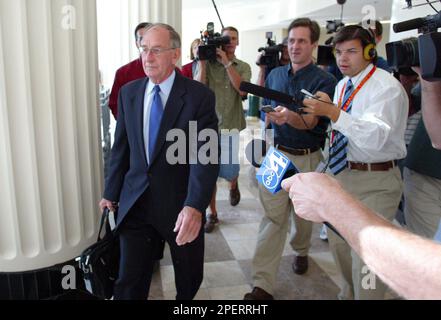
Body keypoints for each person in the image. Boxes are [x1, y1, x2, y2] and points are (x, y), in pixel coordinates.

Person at [99, 23, 219, 300]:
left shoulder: (199, 97)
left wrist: (194, 206)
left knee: (187, 279)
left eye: (155, 50)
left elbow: (206, 156)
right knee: (129, 280)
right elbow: (122, 148)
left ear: (175, 54)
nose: (147, 57)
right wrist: (110, 191)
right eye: (144, 49)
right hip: (136, 202)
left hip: (180, 205)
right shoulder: (129, 92)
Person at [302, 25, 408, 300]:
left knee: (368, 260)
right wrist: (330, 111)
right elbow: (342, 129)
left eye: (351, 51)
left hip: (376, 182)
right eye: (338, 52)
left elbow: (375, 138)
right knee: (339, 248)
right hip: (342, 176)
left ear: (370, 52)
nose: (343, 58)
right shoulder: (341, 85)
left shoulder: (387, 87)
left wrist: (335, 113)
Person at [243, 18, 337, 300]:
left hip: (308, 158)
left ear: (313, 45)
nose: (295, 46)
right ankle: (262, 284)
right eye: (291, 41)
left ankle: (301, 250)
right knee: (272, 219)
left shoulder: (326, 81)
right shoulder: (274, 76)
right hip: (276, 156)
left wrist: (290, 117)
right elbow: (266, 116)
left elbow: (310, 123)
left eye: (301, 41)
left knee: (303, 216)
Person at [281, 172, 441, 300]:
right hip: (338, 172)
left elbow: (432, 278)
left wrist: (328, 203)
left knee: (366, 270)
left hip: (377, 175)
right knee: (340, 250)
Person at [194, 26, 252, 233]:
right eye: (225, 38)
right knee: (209, 175)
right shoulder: (205, 64)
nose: (229, 41)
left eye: (233, 38)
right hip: (207, 129)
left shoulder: (243, 66)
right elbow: (197, 91)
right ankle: (213, 214)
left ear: (237, 42)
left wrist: (226, 63)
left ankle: (233, 184)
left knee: (229, 171)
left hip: (230, 126)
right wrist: (202, 61)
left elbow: (243, 91)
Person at [108, 22, 151, 119]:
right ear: (137, 43)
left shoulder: (173, 71)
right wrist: (128, 125)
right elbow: (114, 104)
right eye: (141, 38)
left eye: (150, 36)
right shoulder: (123, 73)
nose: (146, 41)